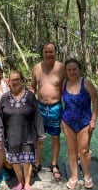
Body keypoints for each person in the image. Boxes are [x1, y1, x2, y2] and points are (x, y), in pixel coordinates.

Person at [0, 70, 46, 190]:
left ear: (22, 81)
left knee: (27, 160)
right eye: (13, 80)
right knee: (15, 161)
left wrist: (40, 134)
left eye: (18, 79)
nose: (15, 82)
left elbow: (37, 116)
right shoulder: (5, 98)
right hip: (11, 137)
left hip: (27, 136)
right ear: (9, 82)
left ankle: (27, 184)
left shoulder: (30, 96)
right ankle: (20, 182)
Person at [61, 58, 98, 189]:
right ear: (66, 71)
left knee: (84, 151)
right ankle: (74, 176)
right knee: (71, 151)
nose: (72, 72)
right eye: (69, 70)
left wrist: (93, 120)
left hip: (84, 122)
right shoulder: (64, 82)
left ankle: (87, 175)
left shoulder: (86, 83)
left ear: (79, 69)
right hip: (67, 122)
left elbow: (95, 101)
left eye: (74, 69)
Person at [31, 42, 65, 179]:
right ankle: (37, 162)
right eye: (46, 51)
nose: (49, 54)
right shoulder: (37, 68)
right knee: (39, 137)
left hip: (56, 106)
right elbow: (33, 87)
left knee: (55, 137)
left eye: (51, 51)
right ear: (42, 53)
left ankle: (54, 164)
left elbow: (68, 88)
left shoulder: (61, 68)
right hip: (39, 107)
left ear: (55, 52)